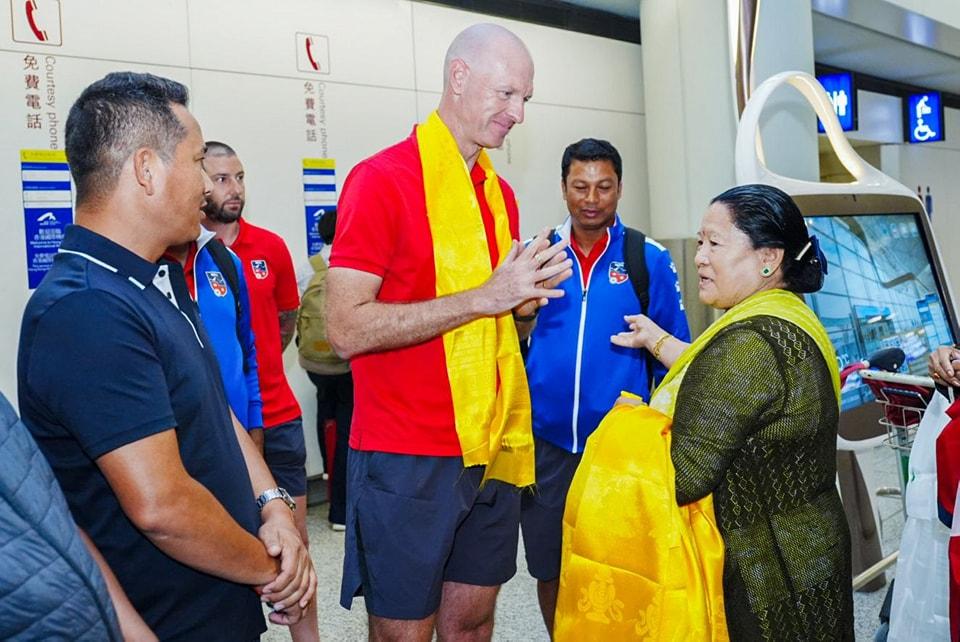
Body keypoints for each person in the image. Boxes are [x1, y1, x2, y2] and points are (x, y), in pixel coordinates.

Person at [17, 71, 316, 641]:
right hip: (166, 623)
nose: (206, 184)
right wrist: (273, 569)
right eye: (197, 160)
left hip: (218, 602)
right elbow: (163, 506)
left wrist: (274, 503)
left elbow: (215, 409)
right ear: (147, 170)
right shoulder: (86, 310)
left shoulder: (158, 279)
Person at [327, 23, 572, 642]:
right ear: (458, 78)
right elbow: (345, 327)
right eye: (507, 94)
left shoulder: (499, 196)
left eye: (526, 100)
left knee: (473, 622)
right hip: (408, 453)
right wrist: (485, 297)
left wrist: (521, 305)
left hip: (492, 443)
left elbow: (490, 323)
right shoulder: (381, 180)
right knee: (404, 632)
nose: (518, 114)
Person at [556, 184, 853, 640]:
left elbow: (681, 475)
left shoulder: (750, 344)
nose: (699, 257)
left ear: (768, 258)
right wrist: (657, 340)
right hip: (804, 549)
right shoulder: (788, 314)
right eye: (699, 243)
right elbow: (723, 382)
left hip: (765, 575)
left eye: (715, 243)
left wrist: (624, 424)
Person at [519, 137, 690, 632]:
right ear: (563, 188)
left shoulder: (646, 257)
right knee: (550, 564)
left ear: (619, 189)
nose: (591, 199)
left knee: (613, 565)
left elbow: (674, 354)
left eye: (603, 187)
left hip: (617, 447)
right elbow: (509, 335)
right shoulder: (539, 253)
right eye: (580, 186)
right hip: (546, 441)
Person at [199, 140, 317, 641]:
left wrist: (264, 365)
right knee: (226, 553)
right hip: (214, 428)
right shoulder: (186, 255)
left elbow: (284, 320)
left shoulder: (269, 247)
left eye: (240, 177)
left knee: (295, 547)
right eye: (221, 178)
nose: (234, 188)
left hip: (278, 415)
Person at [163, 227, 264, 438]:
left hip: (238, 440)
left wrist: (255, 426)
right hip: (176, 447)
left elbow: (245, 350)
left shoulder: (224, 260)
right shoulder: (135, 267)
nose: (206, 192)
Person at [297, 211, 351, 530]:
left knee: (324, 413)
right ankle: (341, 512)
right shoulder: (347, 265)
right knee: (346, 424)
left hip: (314, 363)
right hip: (344, 362)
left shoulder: (308, 267)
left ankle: (329, 479)